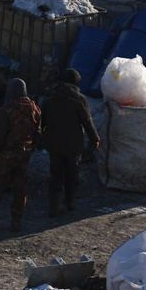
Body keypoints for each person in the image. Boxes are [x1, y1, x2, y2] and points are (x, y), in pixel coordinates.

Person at [0, 78, 41, 233]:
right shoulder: (35, 109)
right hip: (24, 155)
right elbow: (38, 134)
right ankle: (16, 221)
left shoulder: (6, 110)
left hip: (5, 155)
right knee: (20, 188)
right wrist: (30, 148)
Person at [40, 68, 100, 217]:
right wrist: (95, 139)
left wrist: (41, 139)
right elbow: (87, 121)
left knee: (56, 175)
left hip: (54, 144)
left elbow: (42, 121)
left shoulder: (49, 97)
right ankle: (70, 203)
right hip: (73, 145)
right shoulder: (78, 98)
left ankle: (53, 207)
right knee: (72, 175)